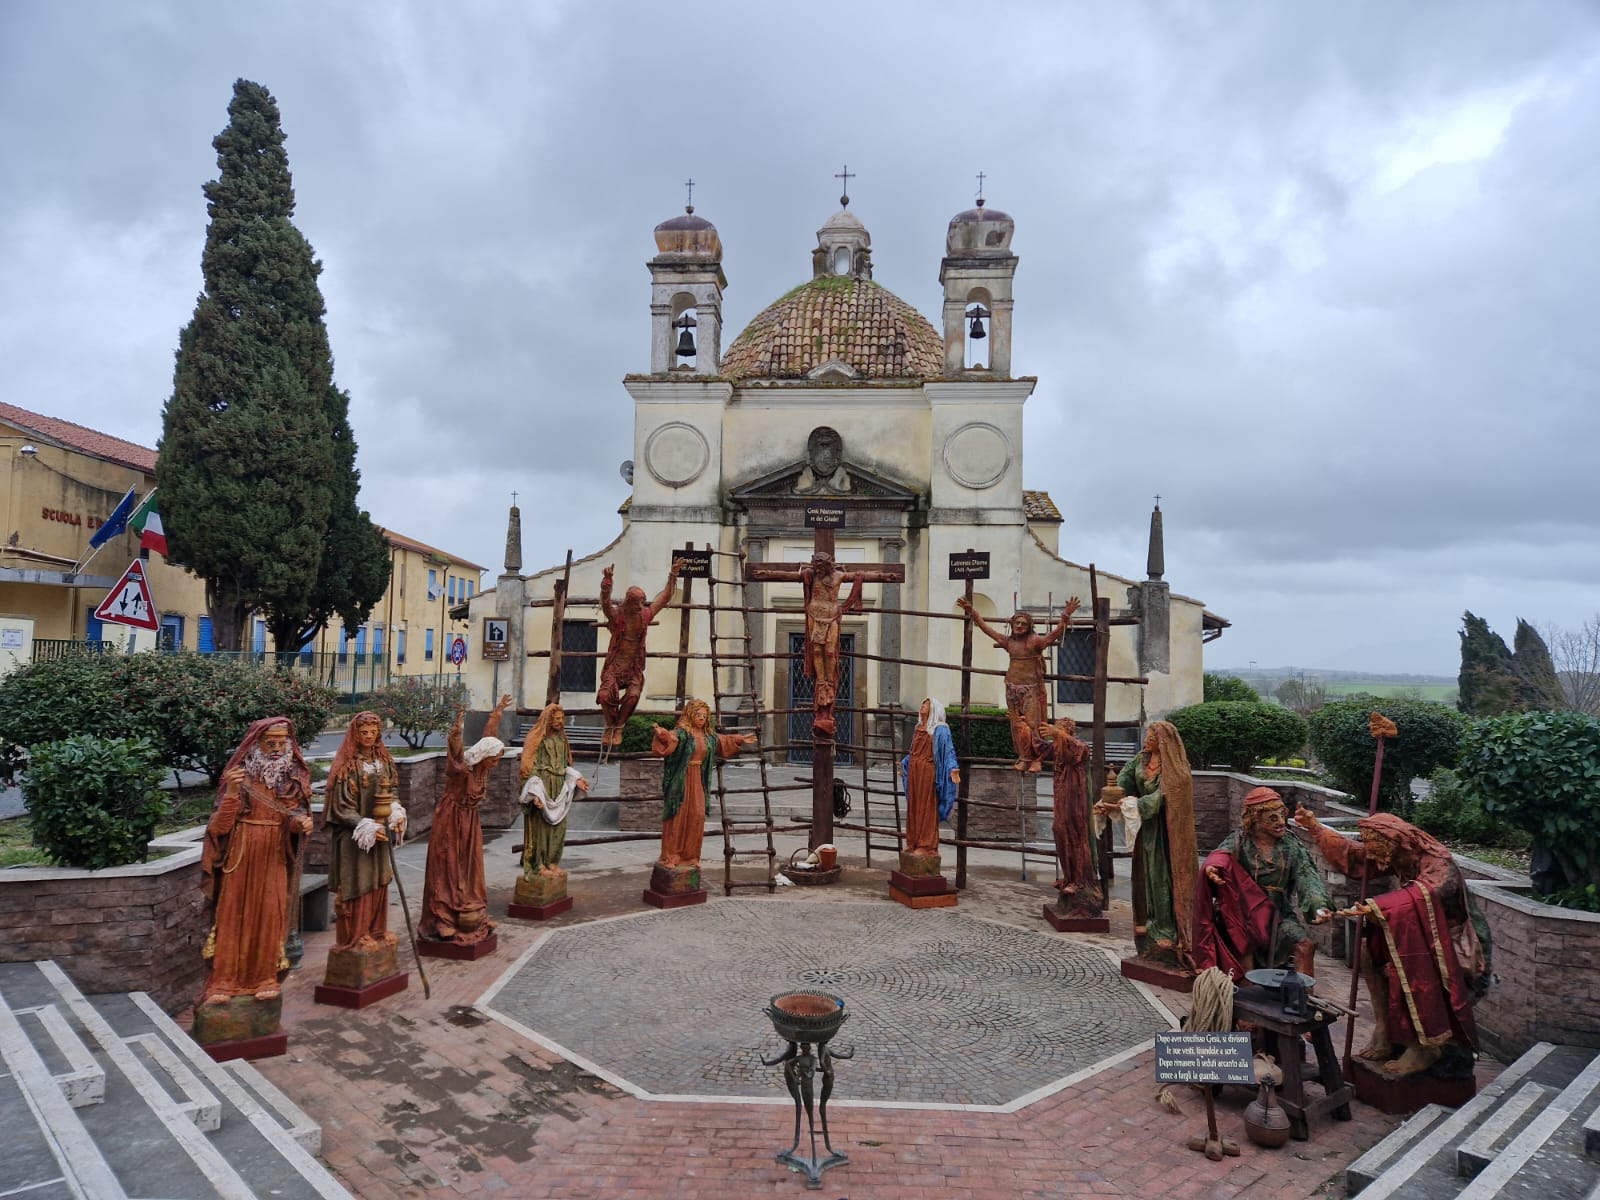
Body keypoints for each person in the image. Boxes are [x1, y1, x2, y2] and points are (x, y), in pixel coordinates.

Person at [1296, 808, 1489, 1076]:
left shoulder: (1438, 862)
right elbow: (1354, 856)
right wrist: (1315, 827)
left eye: (1375, 849)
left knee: (1407, 965)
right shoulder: (1393, 853)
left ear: (1393, 843)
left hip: (1451, 940)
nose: (1372, 856)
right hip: (1417, 931)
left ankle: (1425, 1046)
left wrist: (1378, 907)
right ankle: (1384, 1029)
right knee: (1369, 950)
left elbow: (1427, 894)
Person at [199, 717, 312, 1005]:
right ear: (256, 744)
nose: (276, 749)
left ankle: (264, 977)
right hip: (241, 854)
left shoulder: (292, 781)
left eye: (282, 743)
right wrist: (232, 793)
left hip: (274, 856)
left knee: (270, 916)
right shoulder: (239, 778)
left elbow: (294, 819)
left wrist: (300, 824)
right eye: (270, 743)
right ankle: (223, 981)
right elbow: (218, 828)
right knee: (232, 915)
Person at [1195, 787, 1331, 981]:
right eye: (1272, 818)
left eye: (1282, 814)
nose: (1281, 822)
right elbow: (1220, 857)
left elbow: (1307, 875)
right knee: (1243, 947)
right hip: (1244, 916)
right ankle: (1247, 993)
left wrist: (1318, 905)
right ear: (1255, 819)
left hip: (1279, 915)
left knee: (1305, 945)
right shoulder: (1239, 842)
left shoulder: (1291, 845)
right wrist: (1212, 869)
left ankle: (1302, 995)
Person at [1096, 720, 1197, 970]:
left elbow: (1162, 797)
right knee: (1146, 876)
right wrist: (1109, 798)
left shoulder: (1176, 769)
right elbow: (1123, 782)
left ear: (1163, 742)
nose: (1147, 740)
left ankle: (1168, 928)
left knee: (1162, 877)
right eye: (1147, 736)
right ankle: (1150, 922)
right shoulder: (1141, 760)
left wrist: (1128, 805)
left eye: (1152, 737)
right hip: (1146, 830)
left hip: (1166, 833)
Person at [420, 695, 511, 944]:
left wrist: (497, 713)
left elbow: (489, 737)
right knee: (448, 868)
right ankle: (443, 918)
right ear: (483, 757)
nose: (496, 763)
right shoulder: (463, 770)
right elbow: (456, 754)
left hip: (470, 822)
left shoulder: (482, 768)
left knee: (470, 869)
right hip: (450, 821)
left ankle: (473, 913)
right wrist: (456, 733)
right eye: (494, 759)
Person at [955, 596, 1080, 771]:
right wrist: (972, 612)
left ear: (1029, 627)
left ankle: (1037, 758)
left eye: (1023, 624)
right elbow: (986, 629)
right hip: (1012, 688)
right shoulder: (1009, 642)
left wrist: (1066, 615)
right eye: (1017, 623)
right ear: (1012, 624)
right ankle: (1024, 756)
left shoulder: (1035, 641)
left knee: (1033, 724)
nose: (1019, 626)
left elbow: (1054, 634)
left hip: (1030, 689)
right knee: (1017, 725)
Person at [323, 711, 406, 952]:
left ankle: (377, 929)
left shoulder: (384, 762)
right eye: (364, 732)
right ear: (355, 734)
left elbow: (392, 791)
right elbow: (341, 807)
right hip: (355, 838)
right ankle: (356, 936)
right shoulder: (347, 767)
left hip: (380, 836)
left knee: (379, 880)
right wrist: (366, 826)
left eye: (373, 732)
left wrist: (395, 812)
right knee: (358, 883)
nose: (369, 736)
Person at [652, 699, 756, 872]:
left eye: (704, 716)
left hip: (698, 779)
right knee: (678, 816)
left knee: (697, 815)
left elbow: (722, 741)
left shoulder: (708, 735)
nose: (702, 718)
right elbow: (671, 739)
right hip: (682, 780)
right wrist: (662, 734)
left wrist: (740, 738)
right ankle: (671, 856)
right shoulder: (683, 733)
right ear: (690, 715)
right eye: (698, 715)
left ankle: (690, 856)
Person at [598, 559, 682, 748]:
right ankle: (610, 726)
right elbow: (605, 603)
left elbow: (665, 597)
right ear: (628, 602)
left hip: (633, 668)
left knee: (633, 695)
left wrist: (673, 574)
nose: (640, 606)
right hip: (615, 666)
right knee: (604, 695)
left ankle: (619, 727)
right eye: (637, 602)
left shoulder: (645, 615)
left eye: (642, 602)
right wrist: (607, 583)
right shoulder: (617, 615)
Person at [1035, 716, 1102, 919]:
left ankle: (1080, 881)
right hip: (1061, 803)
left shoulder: (1079, 748)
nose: (1055, 733)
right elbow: (1038, 747)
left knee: (1075, 837)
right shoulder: (1058, 749)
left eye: (1059, 729)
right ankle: (1068, 876)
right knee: (1059, 831)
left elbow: (1080, 749)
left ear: (1068, 731)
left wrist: (1058, 733)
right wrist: (1022, 724)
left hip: (1075, 804)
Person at [518, 702, 589, 881]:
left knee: (559, 827)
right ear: (548, 720)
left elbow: (565, 765)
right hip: (543, 785)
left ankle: (552, 861)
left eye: (562, 718)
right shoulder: (537, 738)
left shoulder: (561, 739)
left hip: (559, 787)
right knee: (540, 828)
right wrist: (535, 792)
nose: (561, 722)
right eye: (557, 718)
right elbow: (529, 766)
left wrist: (576, 778)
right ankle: (538, 865)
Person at [801, 553, 865, 739]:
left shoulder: (839, 576)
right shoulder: (812, 575)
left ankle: (829, 681)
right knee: (816, 651)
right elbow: (800, 575)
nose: (818, 570)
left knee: (830, 651)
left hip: (831, 615)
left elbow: (859, 577)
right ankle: (822, 682)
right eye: (816, 567)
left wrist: (858, 582)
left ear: (828, 565)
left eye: (821, 567)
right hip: (815, 614)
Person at [900, 698, 959, 859]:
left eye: (926, 704)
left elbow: (948, 752)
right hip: (915, 773)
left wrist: (952, 768)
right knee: (914, 807)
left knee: (927, 809)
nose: (922, 705)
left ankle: (926, 845)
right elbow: (913, 752)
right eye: (922, 703)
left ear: (934, 708)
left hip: (927, 773)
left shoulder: (940, 730)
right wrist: (905, 765)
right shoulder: (918, 728)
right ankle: (913, 841)